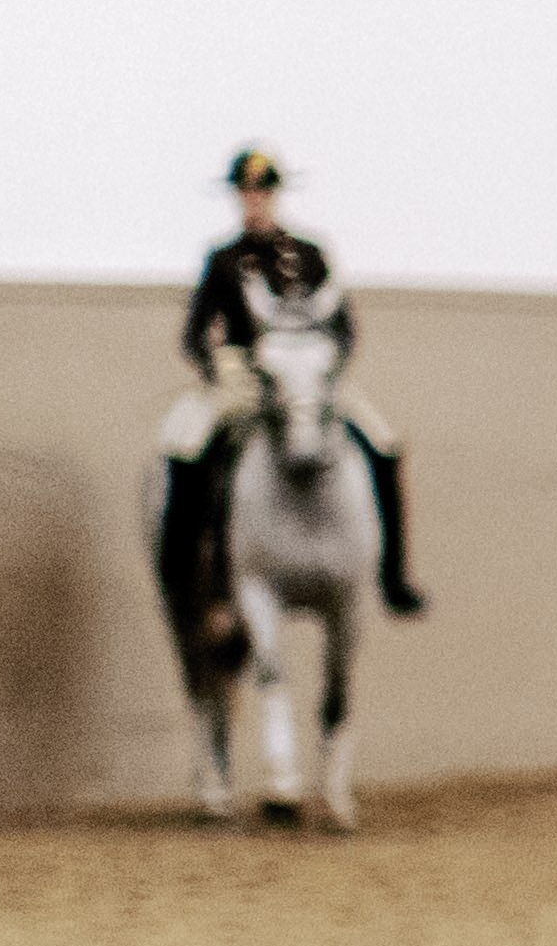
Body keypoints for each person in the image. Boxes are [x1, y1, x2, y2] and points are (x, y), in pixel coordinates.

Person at [157, 147, 426, 636]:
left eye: (262, 192)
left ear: (275, 195)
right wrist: (217, 364)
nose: (254, 201)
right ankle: (187, 572)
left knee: (382, 445)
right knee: (188, 445)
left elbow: (343, 326)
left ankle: (392, 576)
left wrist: (327, 366)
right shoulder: (223, 261)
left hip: (308, 376)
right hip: (245, 375)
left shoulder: (309, 254)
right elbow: (195, 332)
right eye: (246, 193)